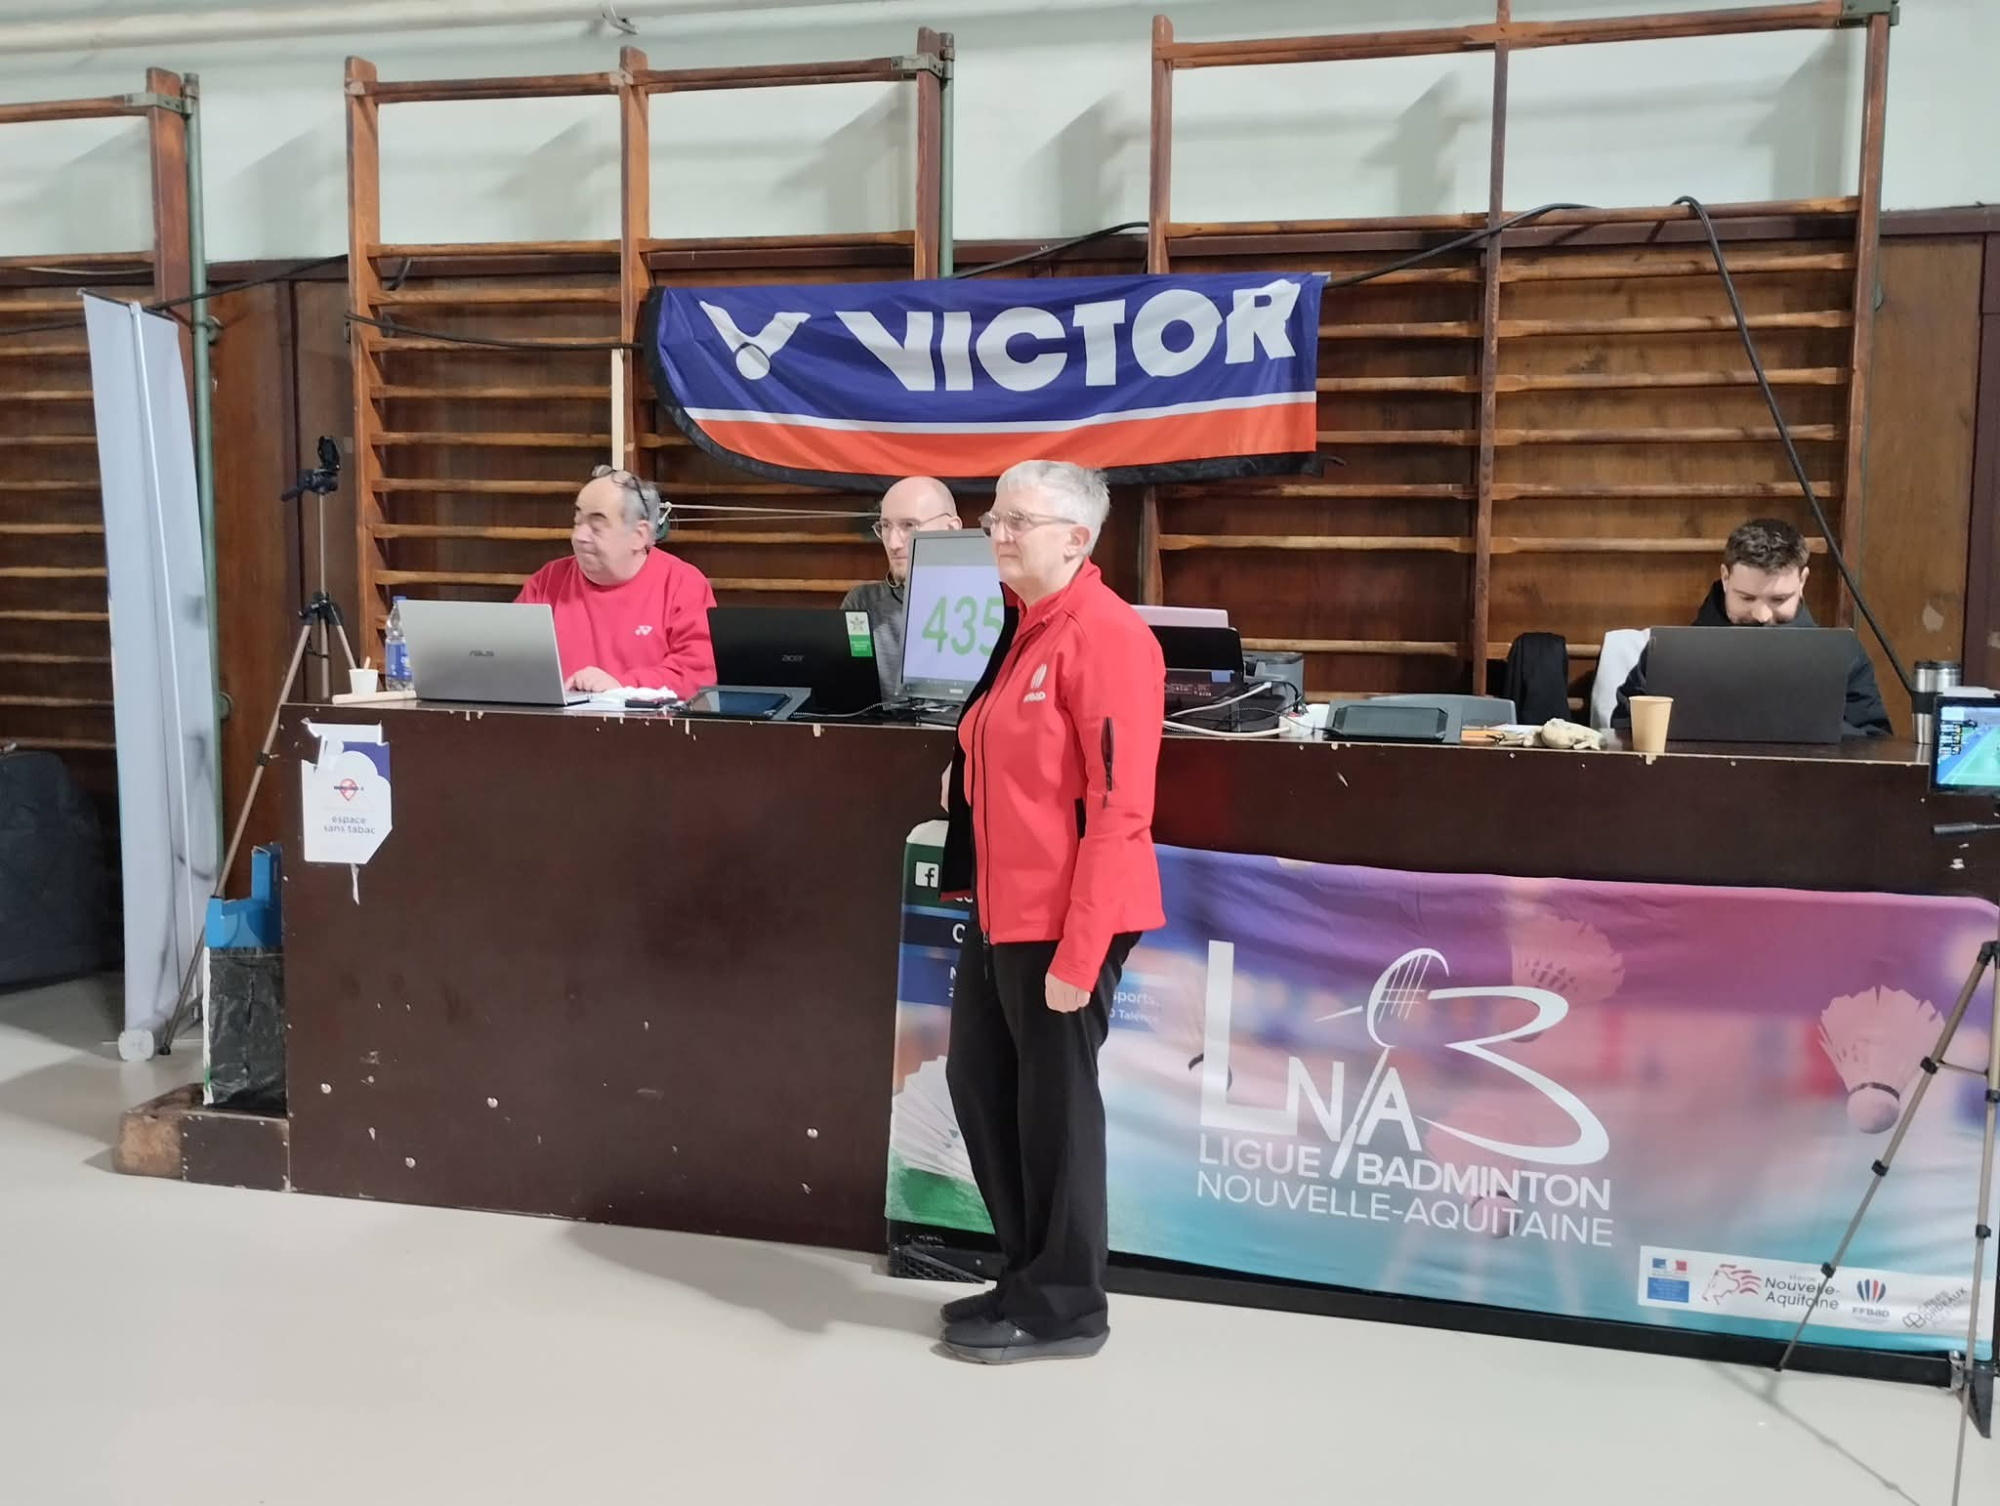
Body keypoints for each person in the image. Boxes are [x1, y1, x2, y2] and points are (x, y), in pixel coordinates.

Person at [934, 460, 1166, 1364]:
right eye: (994, 519)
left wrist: (1081, 948)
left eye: (1017, 522)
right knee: (981, 1085)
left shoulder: (1105, 637)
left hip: (1068, 916)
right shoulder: (1023, 626)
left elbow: (1119, 808)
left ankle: (1067, 1308)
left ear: (1076, 538)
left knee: (1054, 1111)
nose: (998, 534)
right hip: (1002, 908)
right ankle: (1026, 1275)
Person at [1615, 516, 1891, 739]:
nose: (1761, 615)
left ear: (1803, 581)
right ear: (1725, 577)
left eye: (1779, 599)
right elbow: (1625, 727)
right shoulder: (1670, 654)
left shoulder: (1843, 656)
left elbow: (1873, 741)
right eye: (1746, 598)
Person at [516, 466, 717, 696]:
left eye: (596, 526)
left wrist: (621, 686)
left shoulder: (682, 584)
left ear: (639, 535)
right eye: (577, 522)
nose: (579, 537)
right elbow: (510, 658)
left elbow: (696, 674)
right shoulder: (547, 581)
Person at [841, 476, 963, 698]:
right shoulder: (862, 604)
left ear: (950, 529)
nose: (893, 543)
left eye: (909, 525)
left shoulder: (991, 604)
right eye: (885, 526)